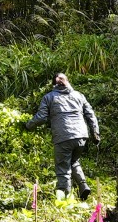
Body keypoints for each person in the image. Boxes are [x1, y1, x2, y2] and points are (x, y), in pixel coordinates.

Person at [31, 72, 100, 202]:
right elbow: (91, 114)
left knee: (63, 167)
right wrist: (95, 132)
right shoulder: (79, 95)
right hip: (81, 136)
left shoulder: (49, 97)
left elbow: (41, 117)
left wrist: (27, 125)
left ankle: (65, 198)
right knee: (73, 161)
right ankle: (83, 185)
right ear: (68, 81)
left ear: (53, 84)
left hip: (63, 136)